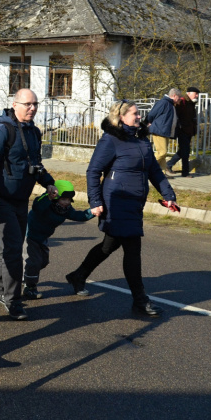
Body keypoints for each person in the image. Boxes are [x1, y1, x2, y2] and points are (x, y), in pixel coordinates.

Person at [66, 100, 177, 318]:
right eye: (134, 114)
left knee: (109, 245)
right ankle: (140, 300)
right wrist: (95, 201)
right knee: (133, 248)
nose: (138, 117)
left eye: (138, 114)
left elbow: (154, 170)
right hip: (116, 202)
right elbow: (93, 171)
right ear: (121, 117)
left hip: (134, 203)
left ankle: (78, 275)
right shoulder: (111, 139)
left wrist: (168, 195)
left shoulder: (141, 139)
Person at [0, 88, 57, 320]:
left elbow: (35, 163)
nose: (32, 108)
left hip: (22, 199)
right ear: (15, 105)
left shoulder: (34, 132)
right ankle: (13, 300)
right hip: (1, 200)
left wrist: (48, 182)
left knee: (10, 245)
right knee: (13, 248)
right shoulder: (1, 131)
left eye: (35, 104)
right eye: (27, 104)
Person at [21, 180, 94, 300]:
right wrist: (48, 197)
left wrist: (93, 212)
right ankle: (29, 287)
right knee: (34, 262)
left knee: (43, 261)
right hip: (29, 235)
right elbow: (36, 207)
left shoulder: (65, 210)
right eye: (64, 199)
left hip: (43, 238)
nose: (67, 202)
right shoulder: (45, 203)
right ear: (56, 197)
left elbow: (79, 216)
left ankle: (23, 273)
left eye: (69, 200)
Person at [143, 88, 181, 172]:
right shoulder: (163, 103)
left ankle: (162, 173)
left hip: (164, 131)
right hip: (159, 131)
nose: (180, 99)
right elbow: (152, 114)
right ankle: (145, 168)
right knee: (162, 152)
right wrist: (146, 123)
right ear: (174, 96)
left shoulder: (170, 104)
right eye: (179, 97)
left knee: (163, 154)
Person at [166, 87, 200, 178]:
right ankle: (185, 172)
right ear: (188, 93)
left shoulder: (191, 103)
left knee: (184, 150)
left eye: (197, 94)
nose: (197, 95)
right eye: (195, 93)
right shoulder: (182, 102)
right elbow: (176, 114)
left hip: (189, 130)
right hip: (182, 130)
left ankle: (168, 164)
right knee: (185, 152)